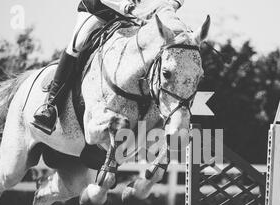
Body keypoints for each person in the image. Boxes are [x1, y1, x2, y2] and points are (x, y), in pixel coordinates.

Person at [32, 0, 185, 135]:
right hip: (98, 11)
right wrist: (125, 5)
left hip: (134, 19)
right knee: (77, 43)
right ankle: (51, 105)